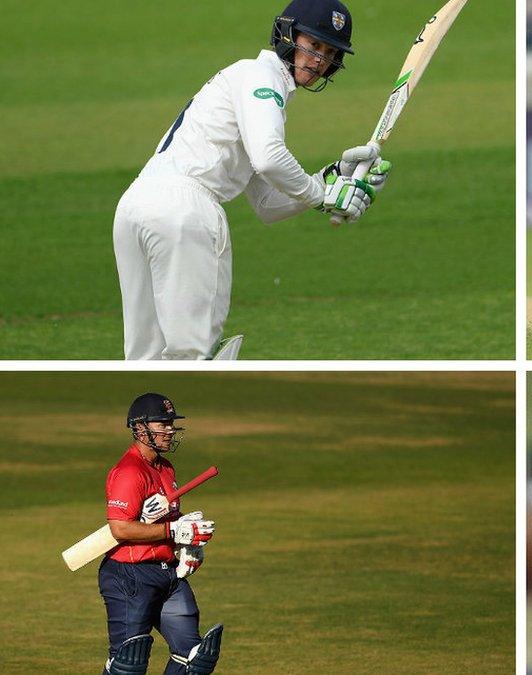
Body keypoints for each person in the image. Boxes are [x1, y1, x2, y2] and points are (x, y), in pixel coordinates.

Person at [113, 0, 390, 360]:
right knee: (193, 356)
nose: (319, 59)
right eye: (313, 44)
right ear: (288, 35)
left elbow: (267, 206)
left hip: (135, 207)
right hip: (186, 212)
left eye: (329, 51)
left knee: (144, 358)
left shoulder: (244, 84)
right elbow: (270, 157)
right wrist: (323, 196)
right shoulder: (262, 78)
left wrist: (333, 176)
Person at [99, 393, 222, 674]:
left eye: (171, 423)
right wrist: (172, 529)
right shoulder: (129, 472)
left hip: (167, 574)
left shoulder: (165, 468)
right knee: (128, 663)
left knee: (194, 659)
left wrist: (186, 545)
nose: (170, 429)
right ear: (140, 429)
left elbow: (171, 521)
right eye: (163, 423)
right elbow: (120, 528)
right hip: (129, 575)